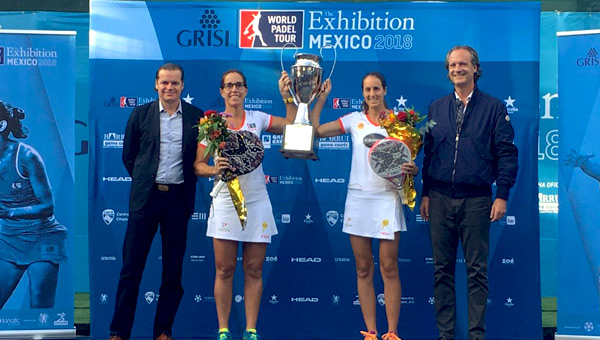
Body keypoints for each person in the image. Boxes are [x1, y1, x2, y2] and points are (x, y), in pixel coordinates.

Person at [419, 46, 518, 340]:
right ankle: (445, 335)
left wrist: (502, 194)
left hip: (477, 200)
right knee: (442, 271)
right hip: (438, 200)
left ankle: (476, 336)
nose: (457, 68)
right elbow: (430, 154)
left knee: (477, 273)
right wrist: (425, 193)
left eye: (463, 64)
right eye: (452, 64)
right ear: (447, 70)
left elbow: (506, 153)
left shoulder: (494, 108)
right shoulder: (436, 108)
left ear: (475, 68)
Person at [311, 72, 418, 340]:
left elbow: (409, 160)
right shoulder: (353, 120)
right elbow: (314, 131)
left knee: (389, 267)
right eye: (367, 90)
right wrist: (321, 99)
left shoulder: (400, 123)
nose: (372, 94)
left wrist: (412, 168)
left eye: (376, 89)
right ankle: (371, 332)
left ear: (385, 90)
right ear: (363, 93)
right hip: (358, 199)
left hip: (387, 197)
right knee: (363, 268)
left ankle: (392, 332)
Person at [194, 69, 295, 340]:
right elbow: (198, 166)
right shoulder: (211, 123)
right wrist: (213, 169)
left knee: (253, 269)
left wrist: (287, 97)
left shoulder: (258, 119)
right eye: (228, 85)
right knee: (225, 269)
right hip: (226, 202)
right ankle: (224, 330)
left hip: (257, 201)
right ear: (222, 91)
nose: (234, 89)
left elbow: (293, 125)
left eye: (239, 85)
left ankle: (251, 330)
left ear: (246, 90)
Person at [108, 63, 203, 340]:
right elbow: (130, 157)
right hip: (145, 200)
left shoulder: (197, 118)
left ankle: (163, 331)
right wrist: (145, 180)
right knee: (130, 270)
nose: (169, 88)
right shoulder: (140, 114)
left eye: (175, 83)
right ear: (156, 84)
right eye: (164, 83)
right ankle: (118, 333)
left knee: (172, 271)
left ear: (183, 85)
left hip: (178, 200)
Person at [0, 101, 67, 309]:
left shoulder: (27, 156)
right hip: (9, 238)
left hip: (42, 236)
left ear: (2, 126)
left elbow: (47, 206)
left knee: (40, 305)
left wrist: (9, 212)